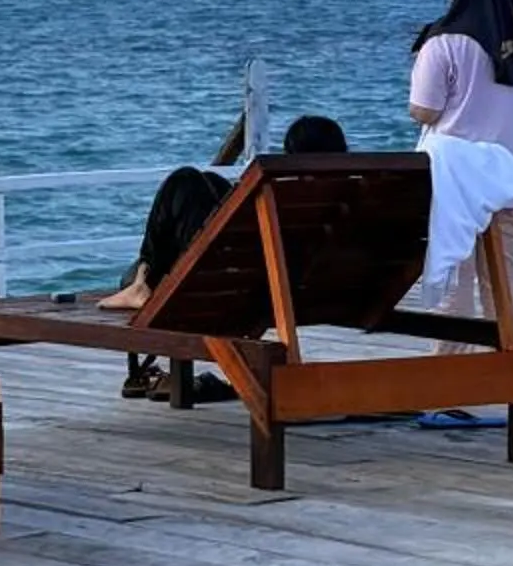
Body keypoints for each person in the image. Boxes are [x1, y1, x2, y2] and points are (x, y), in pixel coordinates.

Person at [106, 113, 349, 399]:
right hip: (287, 289)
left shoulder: (287, 196)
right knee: (209, 182)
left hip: (231, 290)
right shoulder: (344, 199)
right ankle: (141, 278)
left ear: (291, 155)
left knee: (184, 180)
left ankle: (141, 280)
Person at [408, 0, 513, 403]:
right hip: (511, 177)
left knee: (455, 279)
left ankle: (448, 380)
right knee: (503, 279)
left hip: (457, 183)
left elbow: (423, 109)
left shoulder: (443, 43)